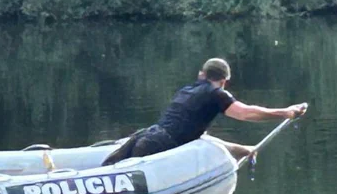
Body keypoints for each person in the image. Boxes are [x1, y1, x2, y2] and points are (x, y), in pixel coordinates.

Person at [103, 57, 307, 164]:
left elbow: (202, 140)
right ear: (225, 81)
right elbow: (246, 113)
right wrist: (285, 112)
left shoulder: (188, 89)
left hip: (145, 137)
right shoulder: (217, 94)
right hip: (159, 145)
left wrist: (242, 150)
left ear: (202, 74)